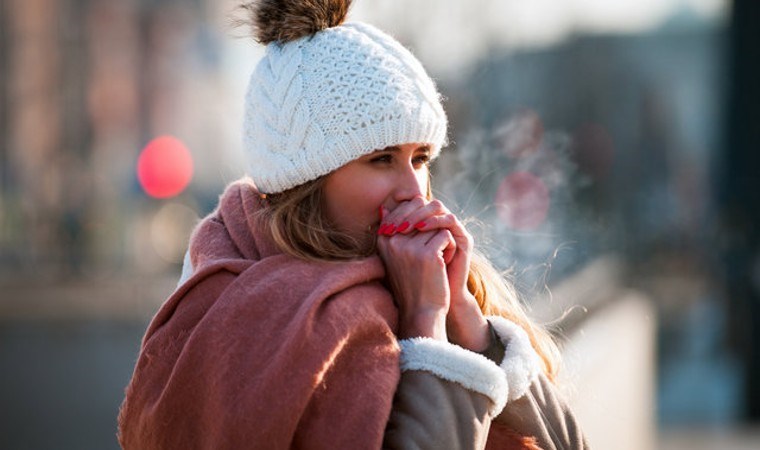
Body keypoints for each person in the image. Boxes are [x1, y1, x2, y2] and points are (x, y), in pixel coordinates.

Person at [118, 1, 589, 449]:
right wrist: (427, 328)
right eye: (381, 159)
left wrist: (468, 323)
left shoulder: (443, 283)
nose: (414, 189)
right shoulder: (243, 308)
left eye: (420, 158)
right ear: (307, 183)